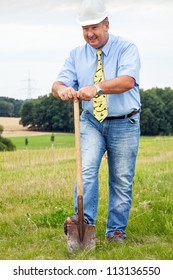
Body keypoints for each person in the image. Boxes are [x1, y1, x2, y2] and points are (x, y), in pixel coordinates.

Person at [52, 0, 141, 242]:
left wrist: (97, 88)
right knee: (87, 170)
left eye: (94, 28)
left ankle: (115, 231)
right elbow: (58, 82)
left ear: (107, 24)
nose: (89, 34)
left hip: (125, 121)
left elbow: (127, 81)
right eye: (84, 29)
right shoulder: (76, 54)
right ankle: (84, 222)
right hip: (91, 121)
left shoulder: (127, 48)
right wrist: (62, 90)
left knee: (121, 179)